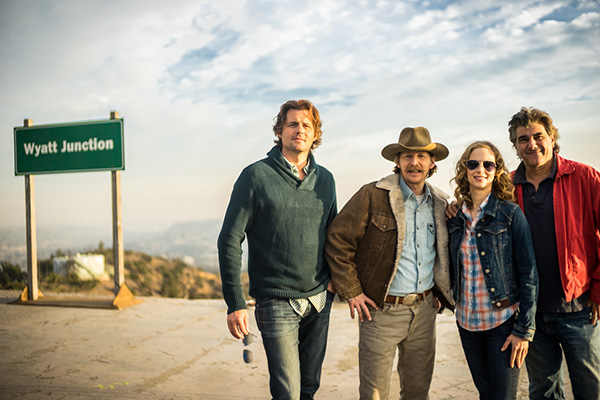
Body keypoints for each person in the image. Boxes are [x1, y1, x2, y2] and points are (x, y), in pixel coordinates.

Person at [217, 99, 337, 400]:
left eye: (306, 125)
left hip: (320, 299)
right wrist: (235, 302)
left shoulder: (326, 180)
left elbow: (335, 236)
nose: (300, 130)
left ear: (315, 134)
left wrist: (336, 282)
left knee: (309, 389)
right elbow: (230, 239)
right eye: (293, 124)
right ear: (280, 131)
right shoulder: (255, 176)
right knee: (288, 393)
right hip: (276, 301)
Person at [324, 126, 454, 400]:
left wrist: (441, 291)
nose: (414, 162)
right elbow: (338, 239)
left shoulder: (441, 203)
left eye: (421, 156)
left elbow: (446, 253)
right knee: (374, 394)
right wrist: (352, 291)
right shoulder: (373, 195)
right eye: (407, 156)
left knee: (418, 393)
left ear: (432, 163)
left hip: (424, 312)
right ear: (397, 161)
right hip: (381, 312)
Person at [508, 107, 600, 400]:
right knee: (543, 391)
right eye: (523, 139)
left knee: (590, 388)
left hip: (579, 308)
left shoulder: (585, 176)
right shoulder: (506, 185)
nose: (531, 144)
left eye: (538, 136)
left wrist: (598, 289)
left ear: (552, 138)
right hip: (530, 312)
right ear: (516, 146)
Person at [447, 141, 538, 399]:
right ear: (464, 169)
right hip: (467, 323)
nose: (480, 169)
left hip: (502, 323)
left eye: (488, 164)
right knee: (485, 394)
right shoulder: (456, 217)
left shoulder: (510, 214)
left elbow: (529, 273)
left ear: (496, 171)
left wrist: (523, 330)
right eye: (473, 164)